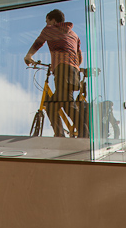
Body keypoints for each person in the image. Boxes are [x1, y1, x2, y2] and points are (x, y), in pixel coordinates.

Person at [24, 9, 83, 137]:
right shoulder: (74, 35)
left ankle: (84, 134)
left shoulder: (50, 29)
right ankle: (62, 135)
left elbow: (38, 42)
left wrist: (28, 56)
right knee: (55, 105)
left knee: (66, 104)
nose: (46, 24)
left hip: (62, 69)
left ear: (53, 20)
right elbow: (80, 57)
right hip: (74, 72)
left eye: (47, 21)